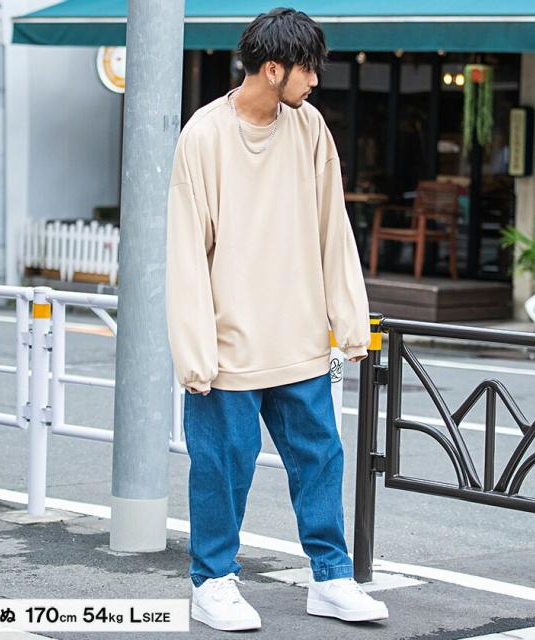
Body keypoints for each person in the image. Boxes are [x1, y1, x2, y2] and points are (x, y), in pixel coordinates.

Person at [165, 7, 389, 632]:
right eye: (308, 70)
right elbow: (186, 249)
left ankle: (332, 578)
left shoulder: (310, 127)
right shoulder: (204, 135)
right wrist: (195, 352)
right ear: (273, 68)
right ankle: (212, 582)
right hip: (229, 348)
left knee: (320, 460)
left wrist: (348, 321)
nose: (315, 81)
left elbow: (332, 227)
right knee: (222, 469)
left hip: (299, 339)